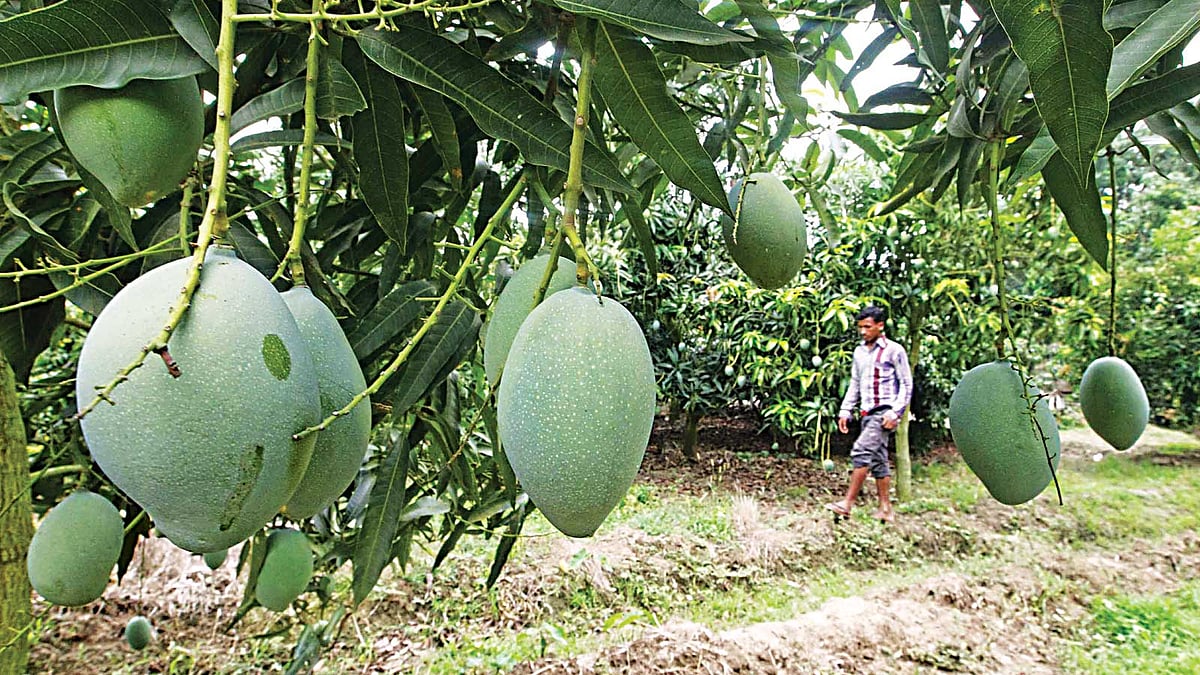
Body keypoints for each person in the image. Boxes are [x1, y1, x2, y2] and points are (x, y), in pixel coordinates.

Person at [827, 305, 912, 523]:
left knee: (861, 451)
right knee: (878, 461)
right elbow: (855, 382)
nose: (863, 332)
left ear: (880, 326)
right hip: (866, 412)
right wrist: (846, 410)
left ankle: (847, 504)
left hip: (883, 412)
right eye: (860, 327)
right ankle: (886, 509)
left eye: (868, 327)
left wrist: (895, 412)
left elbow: (906, 384)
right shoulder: (859, 352)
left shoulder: (894, 350)